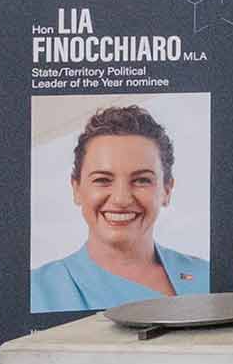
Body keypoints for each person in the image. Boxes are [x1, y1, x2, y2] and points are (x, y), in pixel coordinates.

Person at [30, 103, 209, 311]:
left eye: (142, 180)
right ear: (76, 188)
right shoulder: (36, 291)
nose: (121, 199)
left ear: (167, 191)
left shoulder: (207, 277)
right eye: (102, 180)